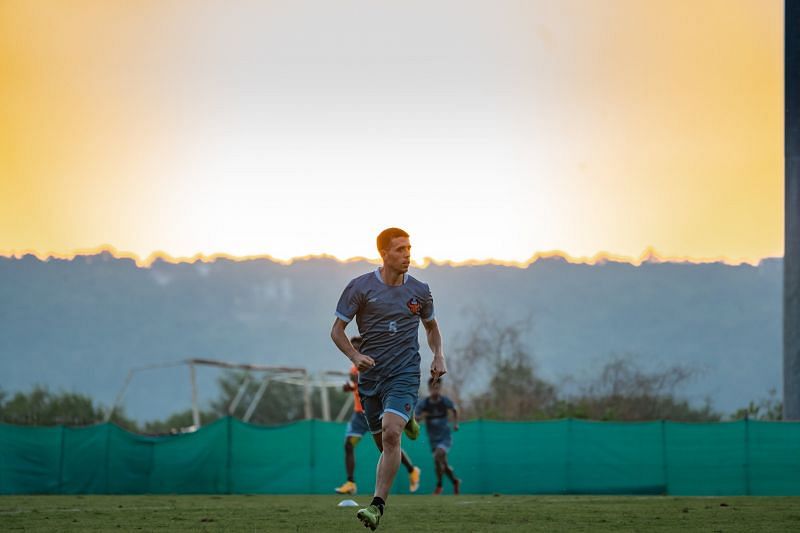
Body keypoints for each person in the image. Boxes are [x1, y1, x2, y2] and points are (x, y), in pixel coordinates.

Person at [331, 227, 448, 530]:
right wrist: (355, 357)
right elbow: (337, 331)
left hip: (405, 374)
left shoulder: (420, 290)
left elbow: (432, 327)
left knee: (391, 434)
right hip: (371, 380)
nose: (407, 255)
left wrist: (438, 355)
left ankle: (376, 506)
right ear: (383, 253)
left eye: (409, 248)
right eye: (400, 249)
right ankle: (405, 417)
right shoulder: (359, 287)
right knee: (384, 444)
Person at [335, 335, 421, 496]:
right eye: (352, 348)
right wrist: (350, 386)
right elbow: (358, 384)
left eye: (358, 347)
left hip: (376, 410)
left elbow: (376, 381)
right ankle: (350, 482)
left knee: (388, 447)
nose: (355, 351)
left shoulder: (374, 361)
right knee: (348, 444)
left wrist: (354, 381)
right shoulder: (354, 367)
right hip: (359, 414)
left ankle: (412, 470)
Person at [415, 377, 461, 495]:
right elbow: (416, 417)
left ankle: (439, 485)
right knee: (443, 464)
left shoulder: (444, 401)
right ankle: (455, 481)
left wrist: (456, 424)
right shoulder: (424, 403)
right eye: (433, 387)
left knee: (438, 456)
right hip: (433, 438)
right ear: (429, 388)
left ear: (440, 388)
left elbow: (454, 410)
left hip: (445, 437)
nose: (435, 390)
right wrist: (421, 416)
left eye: (437, 387)